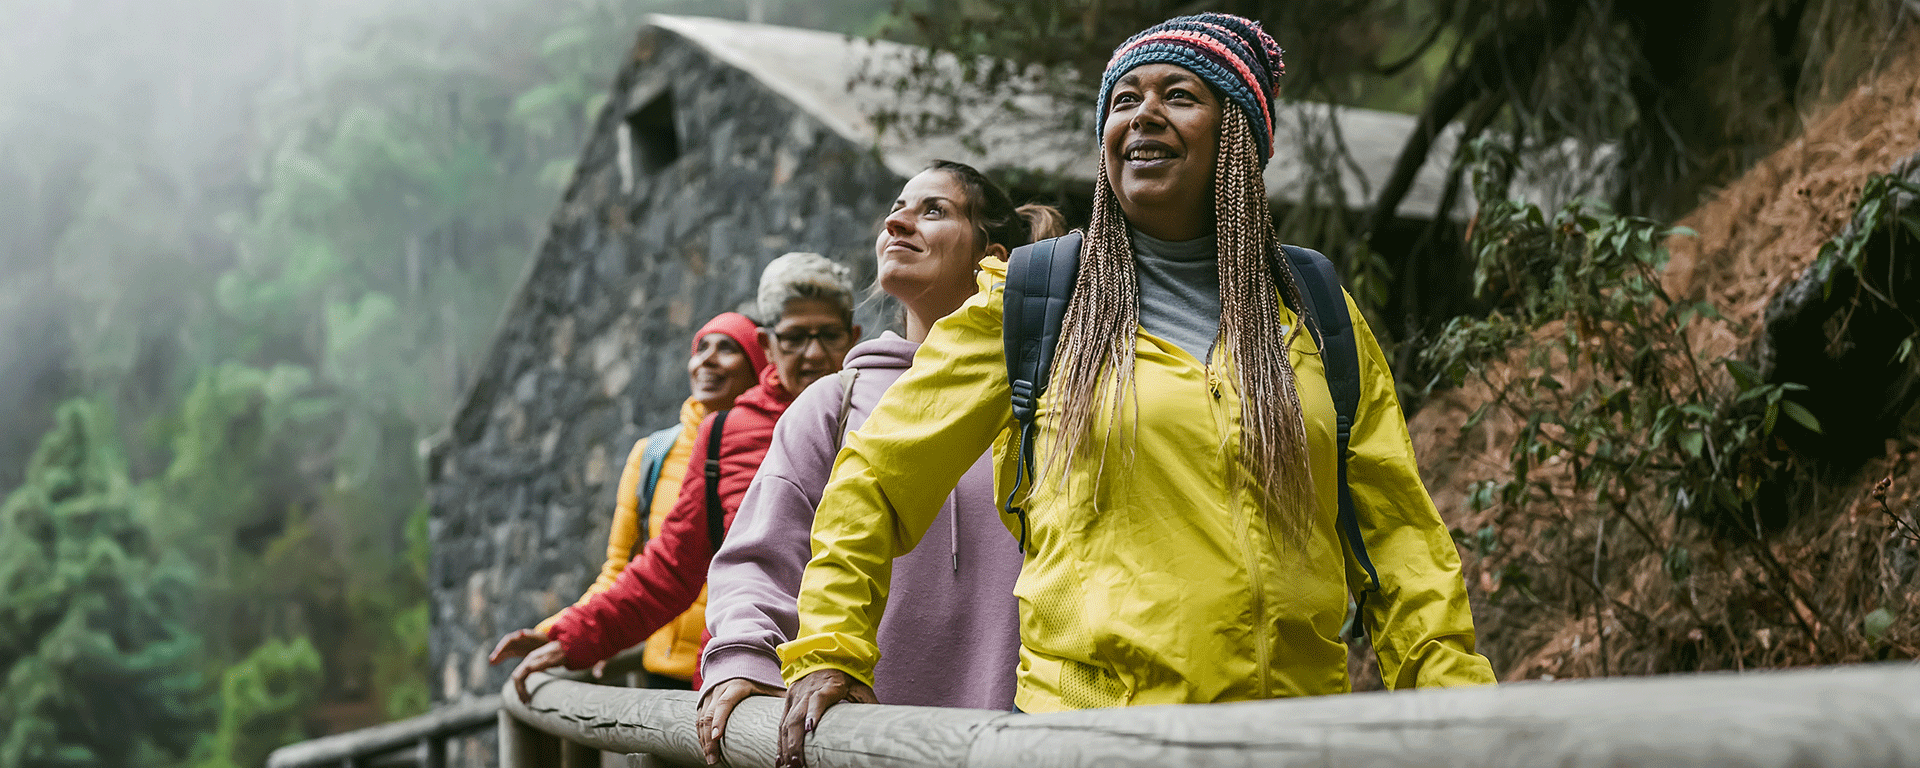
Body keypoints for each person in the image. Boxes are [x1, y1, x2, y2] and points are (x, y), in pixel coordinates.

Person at [776, 13, 1495, 764]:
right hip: (1091, 744)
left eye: (1179, 95)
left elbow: (1399, 539)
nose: (1143, 113)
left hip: (1292, 741)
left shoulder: (1314, 311)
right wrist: (831, 646)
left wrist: (1459, 706)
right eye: (1123, 101)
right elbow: (875, 479)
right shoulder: (1037, 299)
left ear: (1239, 135)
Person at [695, 162, 1065, 765]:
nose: (897, 221)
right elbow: (760, 557)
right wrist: (744, 658)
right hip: (859, 742)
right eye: (897, 207)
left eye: (934, 211)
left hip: (1024, 742)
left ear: (991, 256)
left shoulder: (1043, 391)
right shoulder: (834, 404)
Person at [494, 252, 861, 702]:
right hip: (746, 684)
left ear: (854, 337)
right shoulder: (726, 434)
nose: (815, 353)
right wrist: (570, 637)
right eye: (795, 338)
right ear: (767, 346)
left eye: (829, 335)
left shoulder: (880, 413)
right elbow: (669, 568)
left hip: (858, 674)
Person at [487, 312, 764, 687]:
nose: (707, 360)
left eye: (728, 348)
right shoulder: (653, 453)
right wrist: (559, 632)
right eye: (701, 348)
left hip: (738, 674)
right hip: (662, 678)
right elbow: (622, 569)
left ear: (760, 363)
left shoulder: (779, 445)